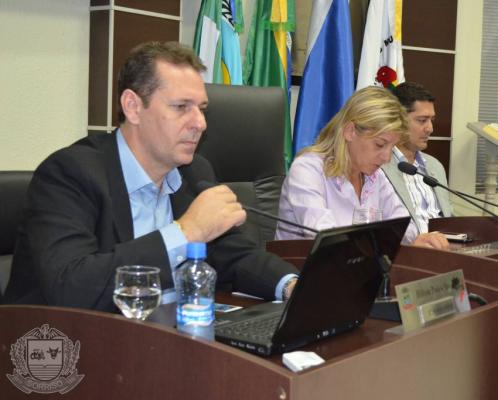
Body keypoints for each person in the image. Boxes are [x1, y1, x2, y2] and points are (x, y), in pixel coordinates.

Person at [5, 41, 298, 311]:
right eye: (181, 107)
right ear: (133, 107)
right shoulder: (69, 174)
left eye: (202, 109)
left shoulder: (195, 171)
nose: (200, 123)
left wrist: (292, 285)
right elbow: (71, 287)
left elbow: (232, 253)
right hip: (64, 343)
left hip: (164, 334)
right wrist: (186, 232)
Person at [275, 86, 448, 249]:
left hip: (361, 267)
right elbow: (329, 241)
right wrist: (387, 243)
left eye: (391, 147)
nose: (387, 158)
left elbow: (405, 228)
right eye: (380, 145)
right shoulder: (307, 170)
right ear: (350, 131)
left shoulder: (375, 176)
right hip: (304, 268)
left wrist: (420, 239)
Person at [381, 82, 453, 235]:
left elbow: (448, 217)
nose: (430, 129)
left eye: (432, 120)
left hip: (445, 245)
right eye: (422, 120)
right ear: (397, 120)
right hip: (406, 247)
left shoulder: (435, 166)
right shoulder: (379, 165)